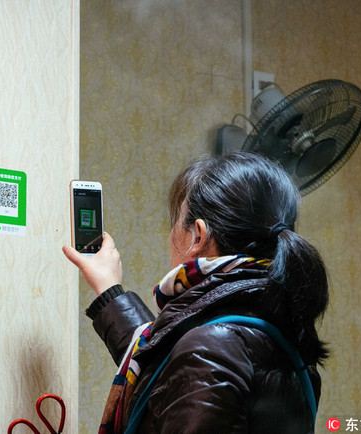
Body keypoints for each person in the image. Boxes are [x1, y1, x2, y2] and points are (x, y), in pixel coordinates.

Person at [63, 152, 329, 433]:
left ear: (197, 236)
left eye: (176, 221)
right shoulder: (271, 327)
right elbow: (159, 368)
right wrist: (109, 289)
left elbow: (195, 360)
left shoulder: (210, 349)